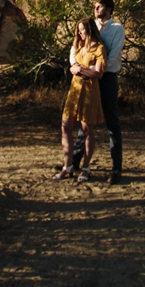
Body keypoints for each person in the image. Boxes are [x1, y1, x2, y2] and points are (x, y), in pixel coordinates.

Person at [55, 17, 105, 182]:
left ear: (90, 30)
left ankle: (86, 167)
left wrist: (80, 70)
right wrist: (76, 69)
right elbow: (72, 67)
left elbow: (99, 73)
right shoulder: (78, 47)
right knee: (66, 125)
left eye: (83, 31)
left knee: (87, 129)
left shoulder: (99, 48)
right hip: (75, 89)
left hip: (90, 90)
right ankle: (67, 165)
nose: (80, 34)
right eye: (79, 31)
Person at [94, 0, 125, 185]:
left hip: (107, 78)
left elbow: (113, 56)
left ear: (109, 9)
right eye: (96, 6)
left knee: (112, 122)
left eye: (100, 6)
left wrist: (96, 71)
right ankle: (73, 163)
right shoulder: (92, 27)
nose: (97, 9)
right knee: (85, 121)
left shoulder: (117, 29)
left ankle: (116, 168)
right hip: (91, 78)